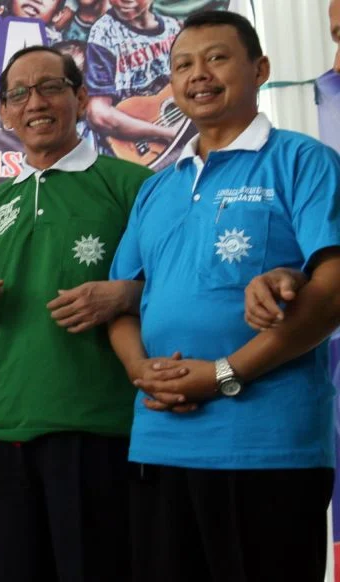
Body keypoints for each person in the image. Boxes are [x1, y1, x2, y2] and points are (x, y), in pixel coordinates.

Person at [107, 11, 340, 581]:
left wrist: (222, 374)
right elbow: (122, 302)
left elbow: (333, 291)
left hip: (266, 448)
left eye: (216, 58)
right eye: (183, 65)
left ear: (260, 69)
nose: (198, 75)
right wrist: (141, 371)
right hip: (159, 443)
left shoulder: (303, 161)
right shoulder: (156, 188)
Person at [0, 45, 153, 581]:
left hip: (103, 429)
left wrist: (125, 296)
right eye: (19, 94)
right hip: (1, 435)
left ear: (80, 98)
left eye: (50, 88)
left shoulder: (132, 185)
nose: (35, 102)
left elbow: (175, 282)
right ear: (5, 113)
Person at [86, 0, 181, 160]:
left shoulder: (173, 28)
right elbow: (99, 114)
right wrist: (167, 133)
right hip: (140, 150)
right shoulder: (104, 34)